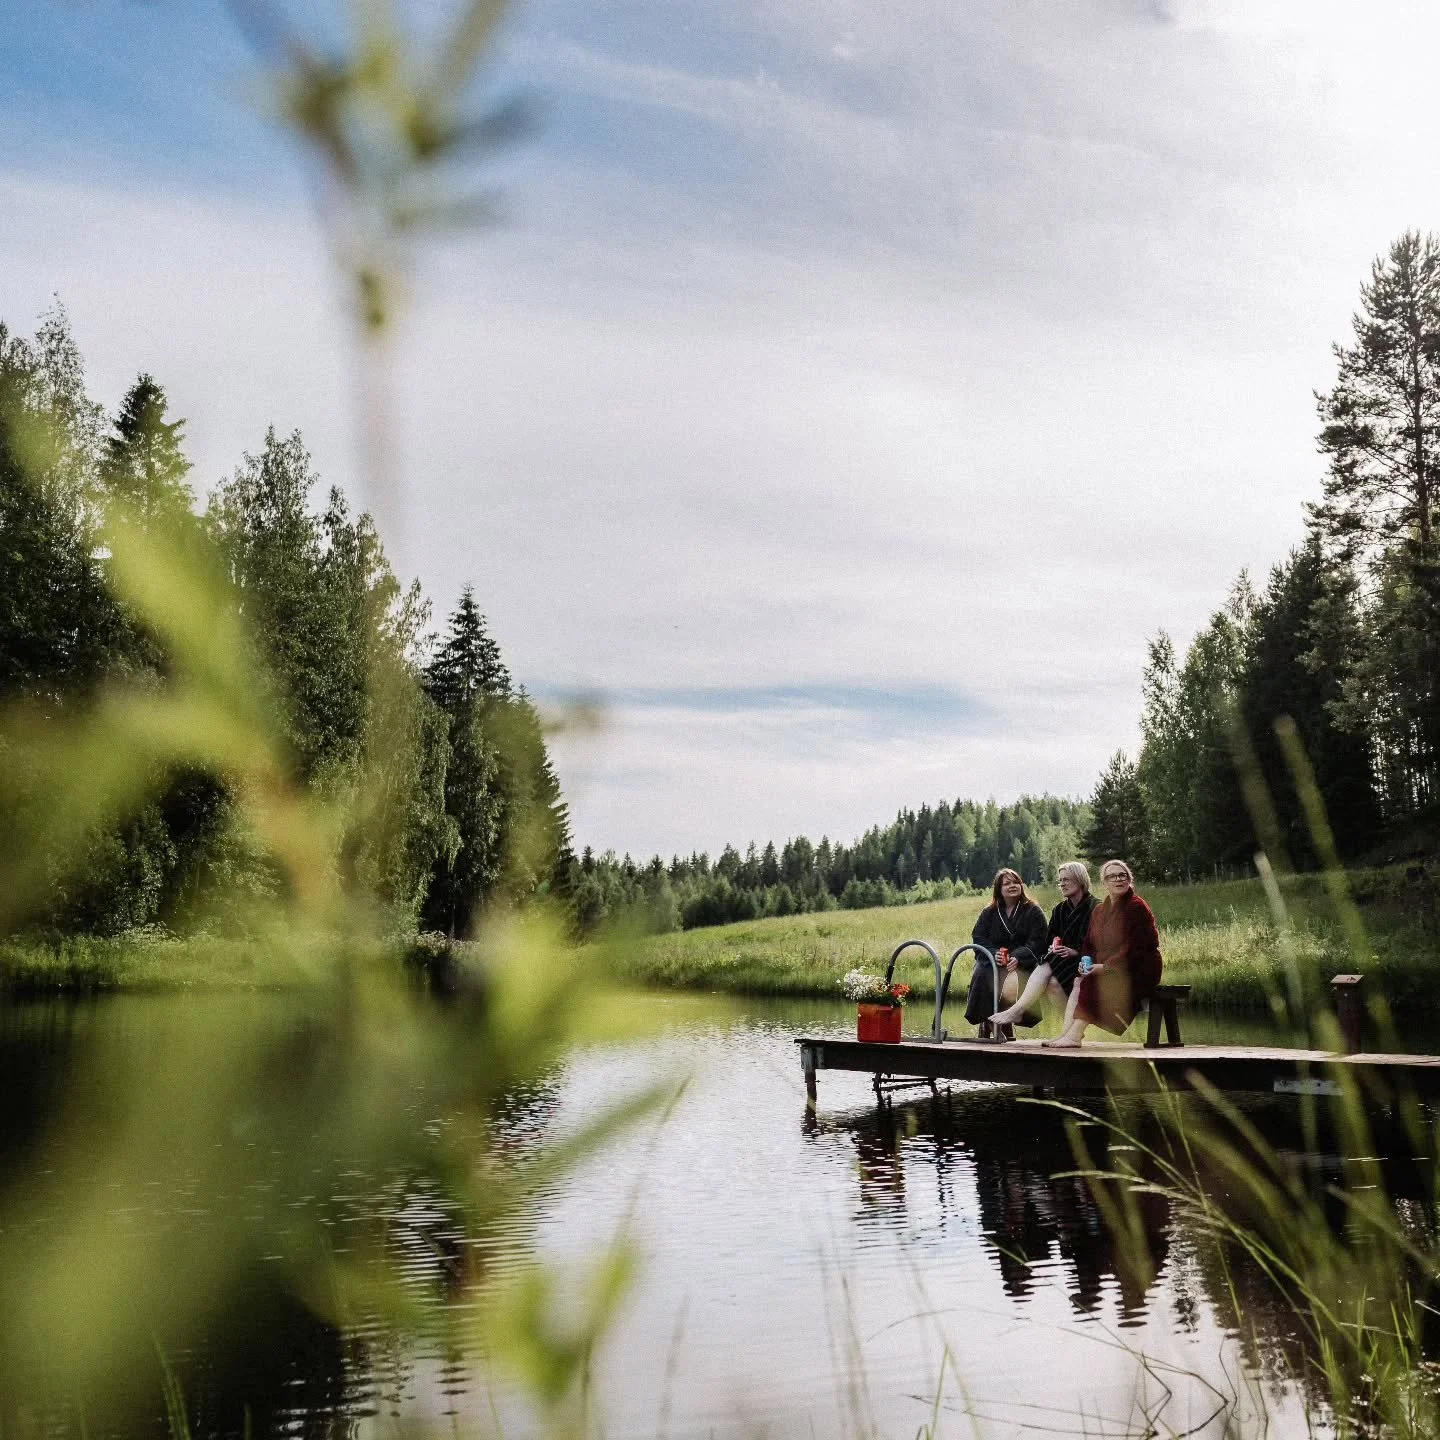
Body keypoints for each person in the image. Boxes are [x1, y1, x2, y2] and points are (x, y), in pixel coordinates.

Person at [1043, 859, 1162, 1049]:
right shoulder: (1100, 910)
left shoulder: (1136, 907)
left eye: (1122, 875)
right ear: (1104, 882)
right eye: (1112, 876)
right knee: (1078, 980)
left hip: (1139, 966)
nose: (1118, 879)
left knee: (1097, 980)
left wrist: (1106, 967)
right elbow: (1089, 943)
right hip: (1111, 965)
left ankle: (1074, 1035)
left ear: (1129, 879)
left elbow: (1135, 947)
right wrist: (1085, 961)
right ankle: (1068, 1034)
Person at [989, 861, 1098, 1029]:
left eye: (1066, 879)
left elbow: (1098, 944)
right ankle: (1068, 1032)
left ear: (1080, 879)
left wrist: (1074, 951)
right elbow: (1049, 939)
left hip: (1088, 963)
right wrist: (1052, 948)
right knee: (1052, 982)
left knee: (1046, 963)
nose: (1062, 884)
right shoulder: (1060, 909)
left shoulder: (1097, 907)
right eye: (1060, 880)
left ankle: (1018, 1009)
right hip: (1062, 962)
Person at [963, 869, 1048, 1038]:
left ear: (1021, 885)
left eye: (1015, 882)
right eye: (1007, 883)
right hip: (993, 959)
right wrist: (993, 954)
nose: (1012, 886)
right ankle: (989, 1021)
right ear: (998, 889)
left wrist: (1018, 957)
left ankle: (1005, 1020)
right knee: (982, 972)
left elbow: (1039, 941)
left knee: (1016, 977)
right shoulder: (989, 912)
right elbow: (979, 937)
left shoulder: (1033, 911)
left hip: (1023, 961)